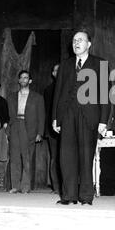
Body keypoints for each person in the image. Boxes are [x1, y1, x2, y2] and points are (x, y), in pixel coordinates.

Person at [52, 29, 110, 206]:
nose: (76, 43)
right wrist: (55, 117)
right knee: (66, 156)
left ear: (89, 44)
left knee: (86, 156)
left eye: (81, 40)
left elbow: (105, 95)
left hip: (89, 116)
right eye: (74, 40)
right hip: (68, 115)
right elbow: (58, 93)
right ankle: (69, 195)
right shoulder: (65, 65)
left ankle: (85, 196)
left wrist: (103, 120)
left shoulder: (100, 64)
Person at [7, 70, 45, 194]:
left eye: (26, 78)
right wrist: (8, 129)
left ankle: (25, 186)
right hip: (15, 126)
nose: (23, 80)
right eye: (21, 78)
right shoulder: (11, 96)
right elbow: (7, 115)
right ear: (18, 80)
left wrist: (40, 132)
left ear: (30, 81)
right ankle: (15, 186)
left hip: (29, 128)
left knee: (27, 157)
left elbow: (41, 116)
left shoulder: (37, 97)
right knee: (14, 157)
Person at [43, 63, 61, 194]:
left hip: (68, 128)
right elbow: (47, 112)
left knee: (68, 157)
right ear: (53, 74)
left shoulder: (70, 87)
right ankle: (56, 187)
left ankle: (69, 185)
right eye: (56, 70)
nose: (58, 72)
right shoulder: (48, 90)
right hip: (52, 130)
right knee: (55, 157)